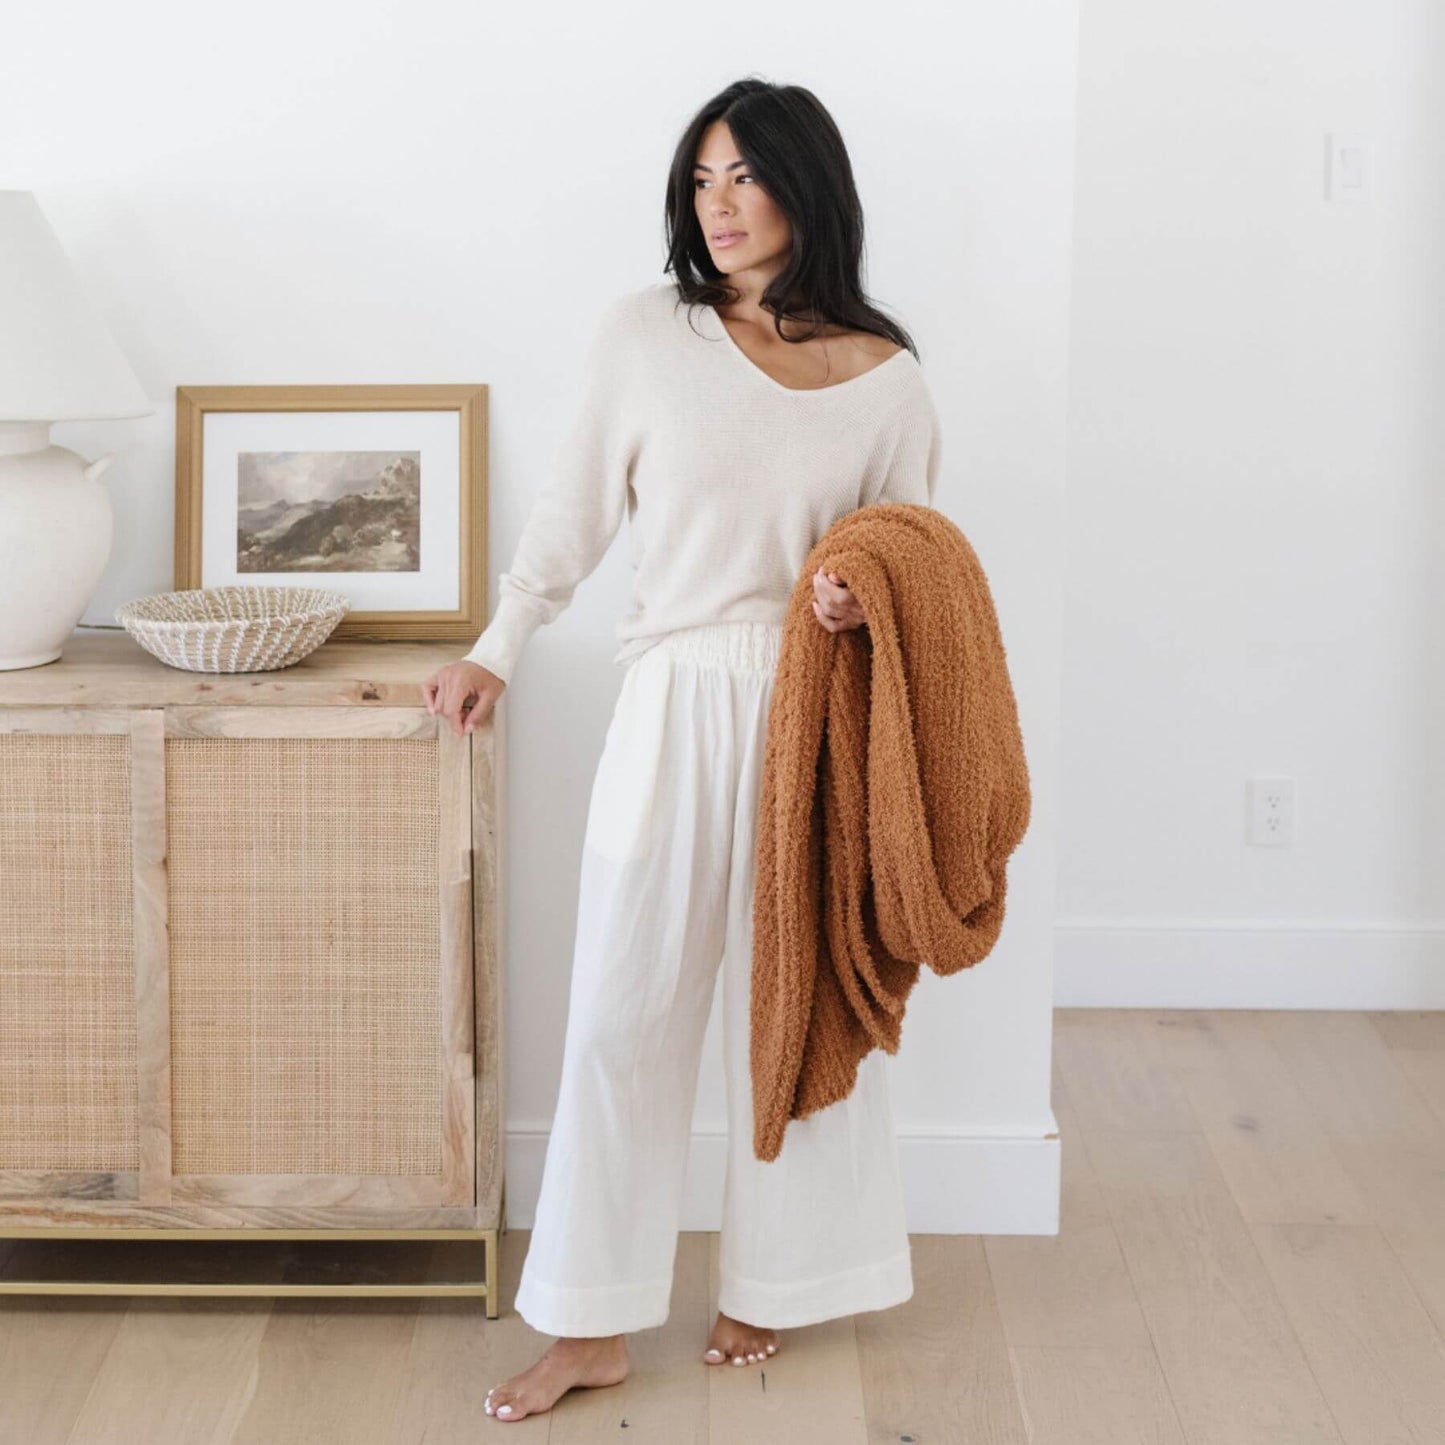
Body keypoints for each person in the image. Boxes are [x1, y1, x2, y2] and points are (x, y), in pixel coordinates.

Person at [423, 76, 942, 1425]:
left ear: (805, 185)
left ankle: (783, 1277)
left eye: (745, 176)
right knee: (620, 1015)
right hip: (674, 696)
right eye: (702, 180)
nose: (719, 204)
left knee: (797, 1010)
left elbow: (916, 557)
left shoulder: (887, 379)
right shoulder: (647, 334)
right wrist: (497, 645)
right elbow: (572, 511)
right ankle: (588, 1325)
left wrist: (863, 599)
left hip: (815, 711)